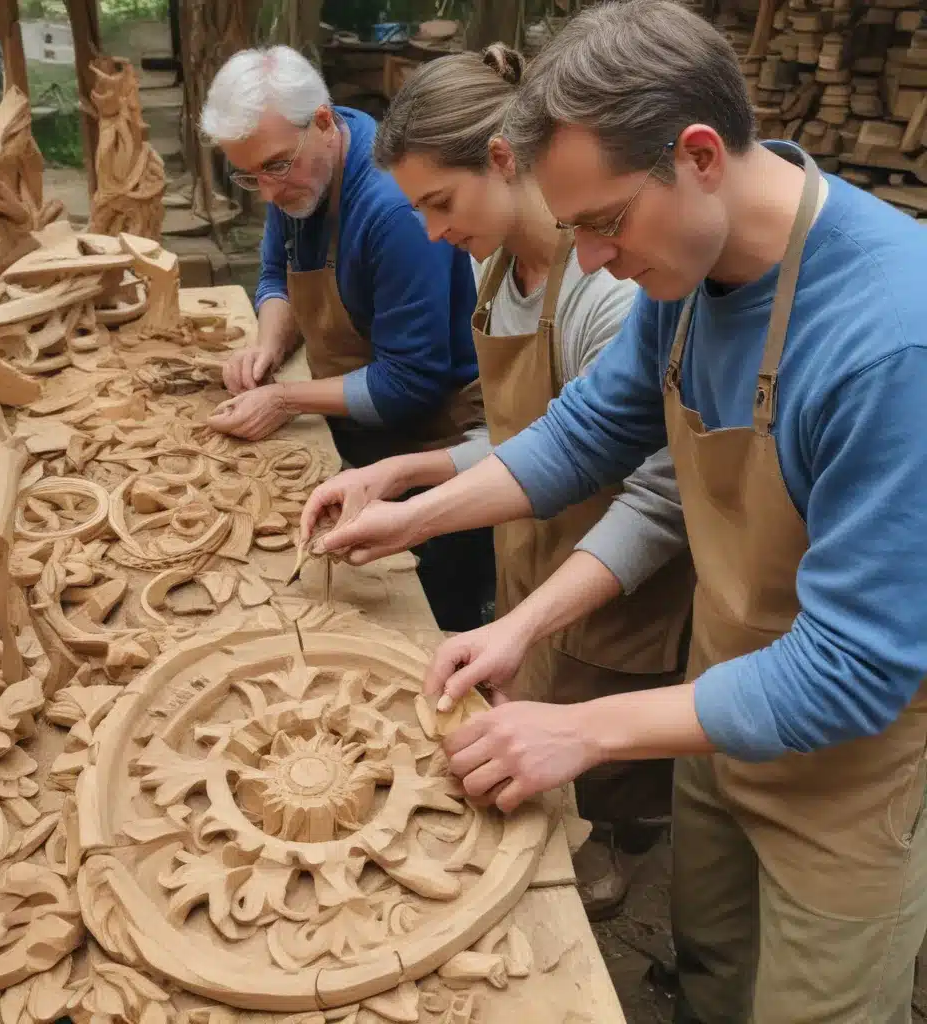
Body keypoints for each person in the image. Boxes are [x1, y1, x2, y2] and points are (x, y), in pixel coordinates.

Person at [306, 2, 927, 1021]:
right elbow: (585, 430)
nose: (589, 258)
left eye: (601, 221)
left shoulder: (885, 341)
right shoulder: (691, 269)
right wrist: (427, 523)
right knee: (712, 956)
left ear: (696, 156)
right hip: (715, 702)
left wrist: (586, 730)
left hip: (843, 764)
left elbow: (851, 668)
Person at [301, 44, 695, 920]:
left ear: (505, 160)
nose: (433, 234)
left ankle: (615, 854)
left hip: (612, 573)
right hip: (534, 549)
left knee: (601, 772)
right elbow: (540, 439)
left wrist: (424, 516)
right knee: (539, 722)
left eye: (441, 203)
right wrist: (412, 483)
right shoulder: (494, 271)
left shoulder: (616, 288)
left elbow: (645, 485)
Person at [200, 46, 494, 632]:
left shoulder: (393, 211)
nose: (264, 191)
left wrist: (284, 398)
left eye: (275, 167)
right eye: (247, 174)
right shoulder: (297, 175)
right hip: (361, 438)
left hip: (434, 443)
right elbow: (274, 275)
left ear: (326, 123)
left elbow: (411, 382)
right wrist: (267, 345)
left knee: (419, 620)